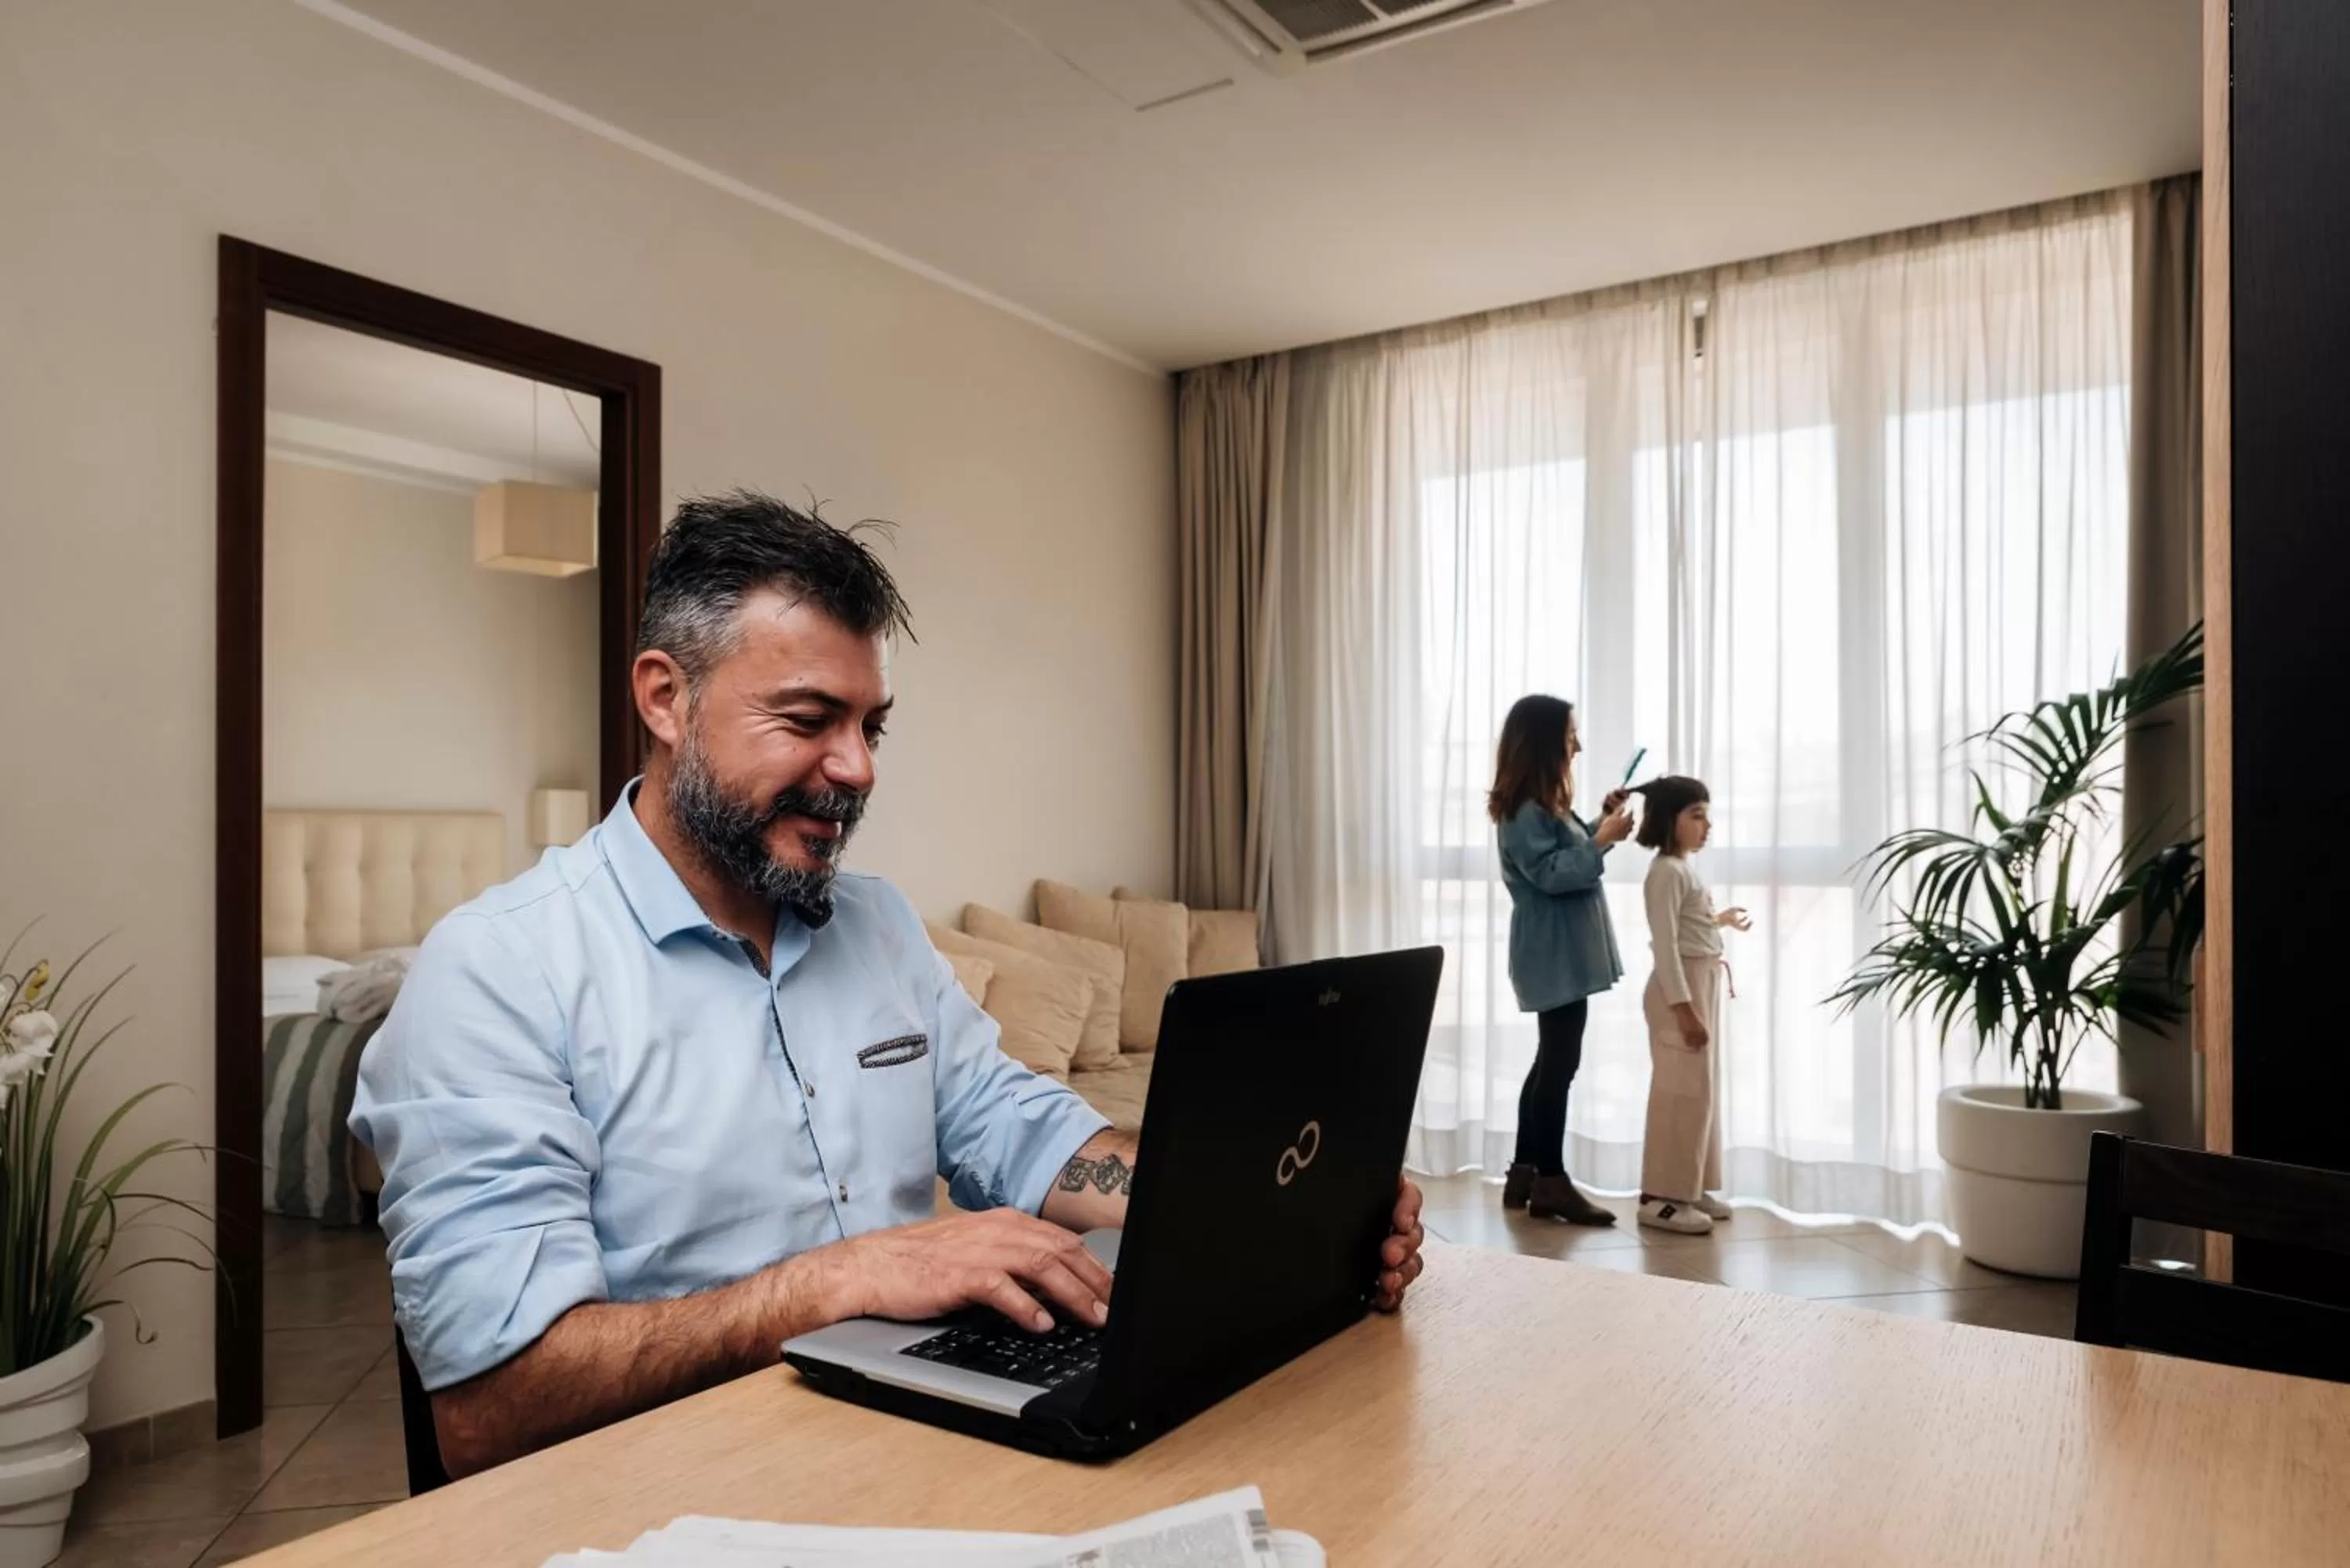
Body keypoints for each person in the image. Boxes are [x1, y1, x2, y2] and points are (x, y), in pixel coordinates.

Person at [351, 491, 1427, 1478]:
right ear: (666, 697)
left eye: (871, 725)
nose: (858, 766)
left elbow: (1018, 1128)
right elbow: (490, 1409)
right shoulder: (497, 974)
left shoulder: (876, 925)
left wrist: (1263, 1204)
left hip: (906, 1454)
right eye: (810, 719)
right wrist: (832, 1281)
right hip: (667, 1499)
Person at [1489, 695, 1634, 1224]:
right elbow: (1552, 875)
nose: (1579, 743)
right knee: (1559, 1065)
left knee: (1550, 1062)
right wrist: (1601, 839)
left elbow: (1567, 854)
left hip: (1559, 954)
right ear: (1547, 741)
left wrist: (1601, 823)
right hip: (1552, 957)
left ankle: (1526, 1171)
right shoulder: (1524, 810)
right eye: (1571, 733)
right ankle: (1549, 1181)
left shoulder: (1542, 804)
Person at [1632, 775, 1752, 1235]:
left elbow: (1686, 924)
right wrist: (1684, 1010)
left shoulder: (1682, 870)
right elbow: (1665, 945)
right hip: (1678, 991)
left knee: (1698, 1092)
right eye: (1696, 816)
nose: (1708, 825)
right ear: (1668, 820)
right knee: (1678, 1094)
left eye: (1707, 815)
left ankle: (1689, 1183)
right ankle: (1660, 1198)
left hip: (1700, 983)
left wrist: (1718, 920)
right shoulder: (1665, 871)